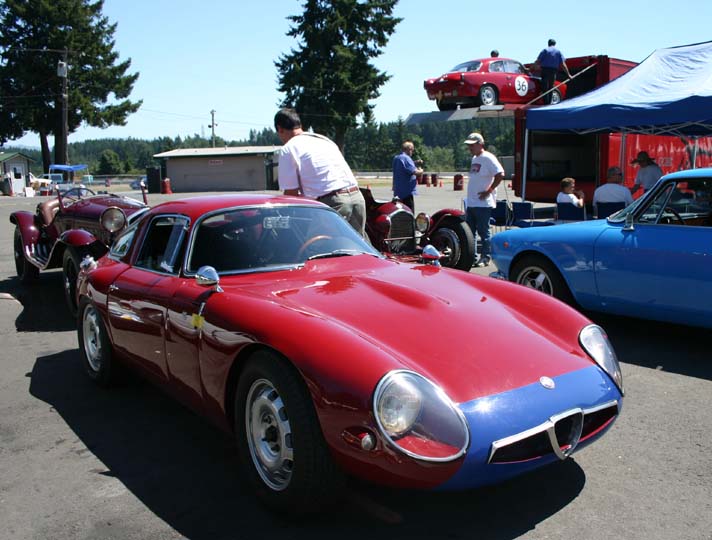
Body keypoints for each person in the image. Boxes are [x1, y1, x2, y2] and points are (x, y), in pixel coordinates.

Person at [274, 108, 367, 238]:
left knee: (317, 250)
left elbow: (291, 196)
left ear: (280, 129)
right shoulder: (323, 140)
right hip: (357, 197)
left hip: (333, 202)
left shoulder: (289, 149)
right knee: (358, 248)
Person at [464, 132, 504, 267]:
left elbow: (500, 174)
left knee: (483, 232)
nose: (470, 148)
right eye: (469, 145)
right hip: (472, 202)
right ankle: (473, 257)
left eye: (472, 145)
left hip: (483, 203)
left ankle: (485, 257)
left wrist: (489, 190)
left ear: (480, 144)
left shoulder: (488, 158)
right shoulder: (474, 159)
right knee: (470, 232)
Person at [535, 38, 572, 104]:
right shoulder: (558, 52)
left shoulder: (545, 50)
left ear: (548, 44)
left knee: (544, 87)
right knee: (551, 87)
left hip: (545, 70)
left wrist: (530, 68)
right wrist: (568, 74)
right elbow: (563, 65)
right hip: (553, 72)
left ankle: (546, 103)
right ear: (555, 44)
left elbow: (537, 61)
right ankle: (549, 103)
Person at [392, 141, 423, 211]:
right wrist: (421, 171)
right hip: (406, 193)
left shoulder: (397, 158)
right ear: (409, 149)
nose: (412, 152)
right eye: (412, 150)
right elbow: (415, 172)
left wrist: (415, 162)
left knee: (399, 213)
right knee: (409, 214)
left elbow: (404, 167)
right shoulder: (406, 158)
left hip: (398, 192)